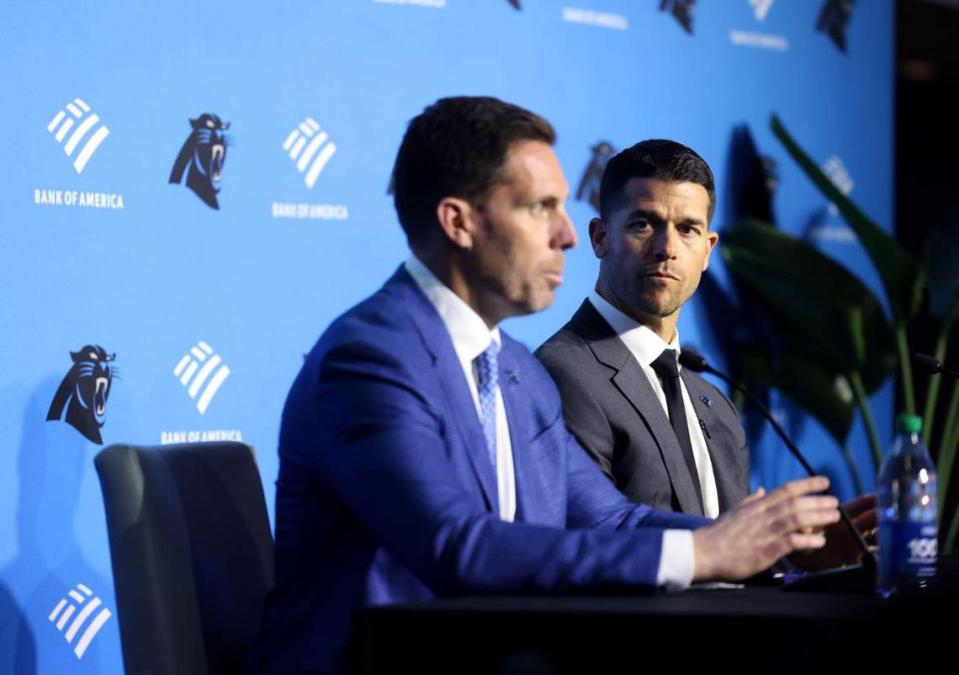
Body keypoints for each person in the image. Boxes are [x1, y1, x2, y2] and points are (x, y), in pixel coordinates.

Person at [250, 100, 839, 674]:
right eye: (541, 208)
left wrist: (774, 546)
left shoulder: (519, 372)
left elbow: (614, 522)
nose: (567, 236)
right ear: (459, 222)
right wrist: (701, 554)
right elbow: (458, 547)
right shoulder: (371, 358)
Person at [535, 139, 874, 561]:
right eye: (643, 224)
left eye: (687, 229)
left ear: (708, 250)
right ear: (601, 237)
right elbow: (595, 544)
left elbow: (733, 557)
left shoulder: (714, 401)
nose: (667, 248)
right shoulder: (563, 373)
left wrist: (798, 554)